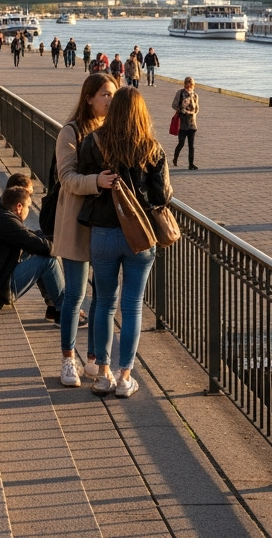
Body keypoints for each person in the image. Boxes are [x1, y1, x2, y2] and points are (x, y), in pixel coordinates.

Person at [77, 86, 170, 398]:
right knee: (131, 306)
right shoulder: (152, 148)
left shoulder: (93, 142)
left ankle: (102, 374)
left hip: (103, 232)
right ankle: (125, 375)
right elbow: (162, 196)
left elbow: (86, 181)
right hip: (139, 237)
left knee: (103, 303)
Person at [54, 73, 116, 388]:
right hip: (77, 224)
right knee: (76, 294)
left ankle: (92, 360)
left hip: (104, 225)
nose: (109, 99)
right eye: (104, 94)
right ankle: (67, 359)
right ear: (89, 98)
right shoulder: (70, 131)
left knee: (101, 296)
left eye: (113, 94)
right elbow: (67, 178)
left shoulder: (111, 132)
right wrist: (96, 182)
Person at [0, 186, 64, 311]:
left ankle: (53, 305)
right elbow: (42, 247)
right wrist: (63, 246)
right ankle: (64, 308)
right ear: (19, 207)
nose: (29, 211)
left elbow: (30, 239)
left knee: (38, 249)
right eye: (28, 207)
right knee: (48, 262)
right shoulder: (6, 221)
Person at [171, 76, 199, 170]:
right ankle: (175, 158)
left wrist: (191, 112)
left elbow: (197, 109)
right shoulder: (180, 93)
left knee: (192, 145)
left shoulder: (195, 95)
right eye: (187, 83)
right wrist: (181, 109)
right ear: (184, 84)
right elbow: (174, 105)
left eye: (190, 84)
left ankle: (191, 164)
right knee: (181, 143)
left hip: (192, 124)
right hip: (182, 124)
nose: (189, 85)